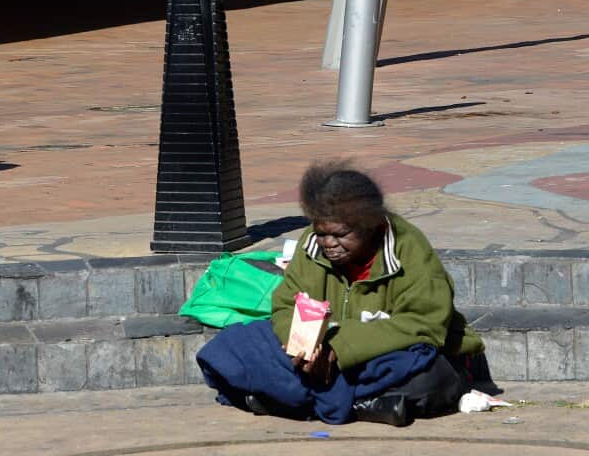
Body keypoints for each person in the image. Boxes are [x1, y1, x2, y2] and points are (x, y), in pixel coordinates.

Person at [196, 161, 490, 426]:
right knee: (235, 346)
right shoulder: (311, 245)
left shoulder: (409, 248)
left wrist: (341, 349)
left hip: (384, 350)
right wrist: (304, 346)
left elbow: (423, 323)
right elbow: (286, 303)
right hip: (321, 352)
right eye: (322, 232)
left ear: (371, 226)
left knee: (433, 376)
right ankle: (366, 406)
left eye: (340, 235)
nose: (328, 243)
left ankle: (289, 402)